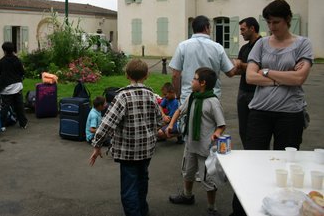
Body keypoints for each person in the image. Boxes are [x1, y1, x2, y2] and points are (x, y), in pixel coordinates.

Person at [89, 59, 163, 216]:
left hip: (127, 152)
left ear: (126, 75)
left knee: (129, 188)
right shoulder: (151, 95)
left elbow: (106, 124)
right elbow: (160, 120)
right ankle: (143, 211)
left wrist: (97, 145)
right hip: (146, 150)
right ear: (147, 75)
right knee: (142, 181)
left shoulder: (122, 97)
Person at [245, 0, 313, 151]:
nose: (271, 27)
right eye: (268, 22)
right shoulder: (261, 44)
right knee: (255, 158)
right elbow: (250, 77)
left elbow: (299, 78)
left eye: (276, 22)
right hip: (260, 110)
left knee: (286, 161)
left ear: (288, 19)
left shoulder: (303, 44)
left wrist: (267, 72)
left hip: (290, 112)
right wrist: (284, 78)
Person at [166, 67, 226, 216]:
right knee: (188, 171)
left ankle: (212, 207)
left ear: (203, 83)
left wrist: (217, 134)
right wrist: (171, 124)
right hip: (191, 144)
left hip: (205, 148)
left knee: (207, 178)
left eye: (194, 78)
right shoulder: (192, 96)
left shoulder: (213, 101)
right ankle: (187, 195)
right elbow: (180, 110)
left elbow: (221, 124)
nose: (192, 81)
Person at [229, 18, 261, 216]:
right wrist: (243, 66)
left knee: (254, 132)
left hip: (256, 93)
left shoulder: (261, 45)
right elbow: (238, 69)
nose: (240, 32)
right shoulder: (244, 47)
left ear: (252, 28)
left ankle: (253, 161)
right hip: (243, 91)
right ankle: (250, 153)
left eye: (243, 29)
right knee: (244, 130)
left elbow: (251, 69)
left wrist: (244, 65)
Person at [169, 15, 236, 104]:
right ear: (206, 27)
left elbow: (175, 75)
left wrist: (178, 94)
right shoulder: (217, 47)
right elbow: (230, 73)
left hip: (189, 97)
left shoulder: (183, 46)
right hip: (211, 98)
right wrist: (236, 64)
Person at [0, 41, 28, 131]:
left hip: (6, 87)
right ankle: (23, 123)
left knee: (5, 107)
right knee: (19, 106)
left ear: (4, 50)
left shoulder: (2, 61)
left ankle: (2, 125)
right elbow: (22, 72)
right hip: (17, 86)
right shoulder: (17, 60)